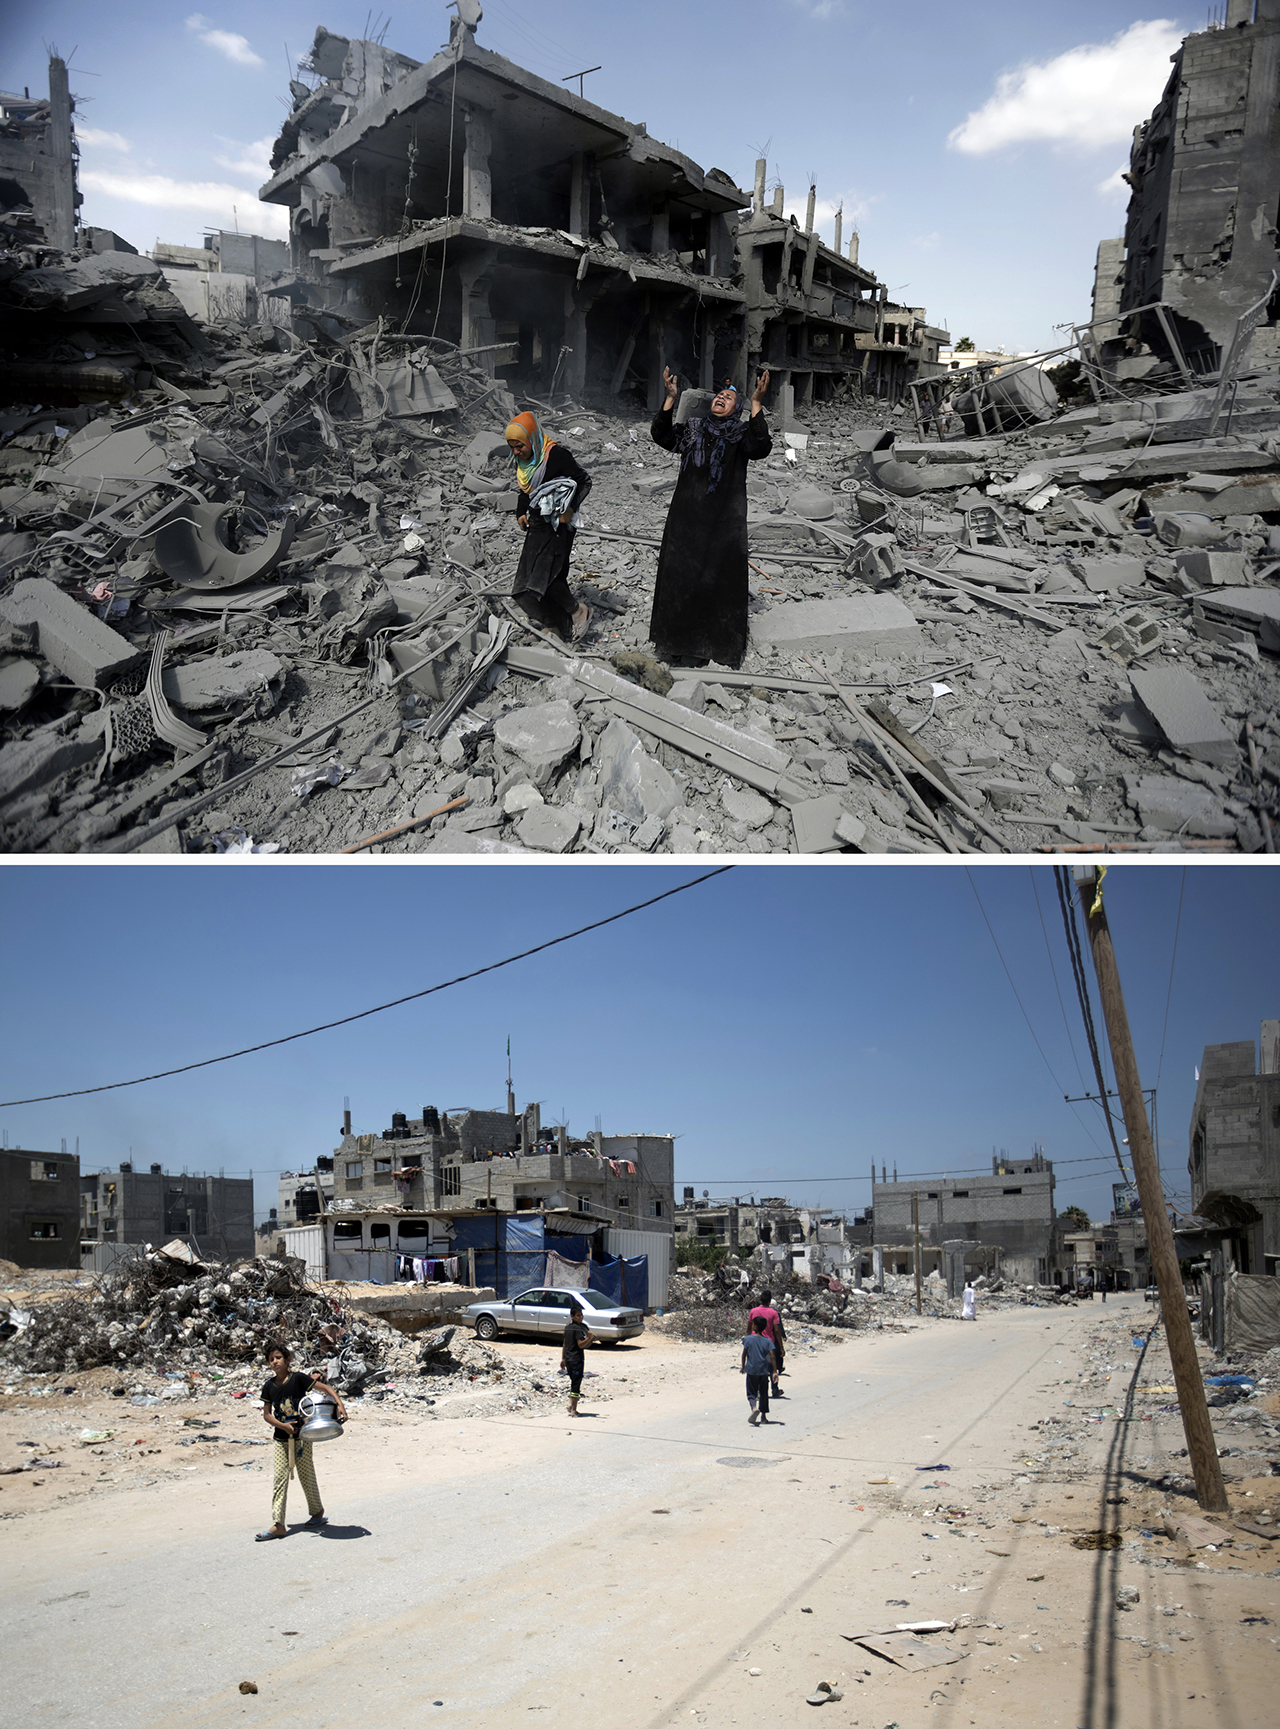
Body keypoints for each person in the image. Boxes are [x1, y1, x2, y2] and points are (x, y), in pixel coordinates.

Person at [647, 367, 772, 669]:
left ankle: (710, 648)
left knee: (716, 581)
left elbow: (760, 448)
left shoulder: (741, 434)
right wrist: (670, 398)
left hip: (722, 523)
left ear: (736, 409)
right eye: (720, 394)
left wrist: (756, 402)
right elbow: (662, 435)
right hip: (686, 519)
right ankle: (674, 644)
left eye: (729, 397)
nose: (721, 397)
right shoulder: (693, 428)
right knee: (681, 578)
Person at [504, 411, 592, 642]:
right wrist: (521, 511)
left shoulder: (556, 455)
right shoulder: (524, 461)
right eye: (512, 446)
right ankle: (554, 624)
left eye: (520, 446)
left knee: (547, 577)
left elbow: (583, 481)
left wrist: (570, 508)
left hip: (559, 525)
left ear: (532, 439)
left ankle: (578, 612)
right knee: (525, 585)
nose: (516, 452)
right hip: (537, 525)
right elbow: (527, 488)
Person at [256, 1339, 347, 1541]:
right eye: (271, 1359)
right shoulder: (268, 1386)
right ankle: (278, 1524)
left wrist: (340, 1405)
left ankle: (317, 1513)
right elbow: (267, 1415)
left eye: (278, 1358)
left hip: (303, 1438)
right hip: (281, 1439)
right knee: (280, 1480)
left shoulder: (298, 1379)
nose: (275, 1362)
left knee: (306, 1475)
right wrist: (283, 1426)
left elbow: (326, 1389)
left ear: (287, 1360)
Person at [749, 1288, 786, 1398]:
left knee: (759, 1368)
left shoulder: (753, 1311)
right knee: (772, 1368)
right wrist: (781, 1346)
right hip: (768, 1343)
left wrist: (748, 1340)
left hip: (755, 1343)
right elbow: (777, 1330)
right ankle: (775, 1390)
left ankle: (759, 1392)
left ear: (760, 1299)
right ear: (770, 1301)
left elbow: (749, 1328)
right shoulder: (774, 1313)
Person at [740, 1315, 776, 1426]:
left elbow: (744, 1354)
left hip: (751, 1370)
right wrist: (774, 1371)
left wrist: (743, 1366)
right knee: (764, 1392)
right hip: (763, 1370)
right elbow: (772, 1356)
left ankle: (754, 1408)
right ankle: (764, 1417)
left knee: (751, 1392)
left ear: (754, 1326)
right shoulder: (767, 1341)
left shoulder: (748, 1339)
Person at [560, 1300, 593, 1417]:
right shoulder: (578, 1329)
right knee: (576, 1384)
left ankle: (570, 1404)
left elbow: (564, 1343)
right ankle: (573, 1410)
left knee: (573, 1382)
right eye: (578, 1315)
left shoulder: (568, 1327)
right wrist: (589, 1338)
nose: (581, 1317)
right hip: (576, 1360)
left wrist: (563, 1358)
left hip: (568, 1359)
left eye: (581, 1315)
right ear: (572, 1316)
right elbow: (580, 1344)